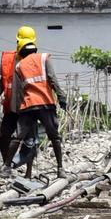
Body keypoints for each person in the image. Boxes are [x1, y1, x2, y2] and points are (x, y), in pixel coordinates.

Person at [8, 28, 68, 179]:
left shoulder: (18, 66)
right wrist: (62, 98)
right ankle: (60, 169)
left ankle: (6, 167)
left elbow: (20, 90)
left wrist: (19, 109)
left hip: (28, 105)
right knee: (54, 137)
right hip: (46, 103)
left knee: (18, 137)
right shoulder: (44, 58)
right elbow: (53, 80)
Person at [0, 39, 21, 168]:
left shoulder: (33, 61)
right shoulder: (9, 59)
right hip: (10, 106)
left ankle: (28, 171)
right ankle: (6, 164)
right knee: (3, 135)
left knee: (27, 138)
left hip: (28, 107)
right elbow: (2, 80)